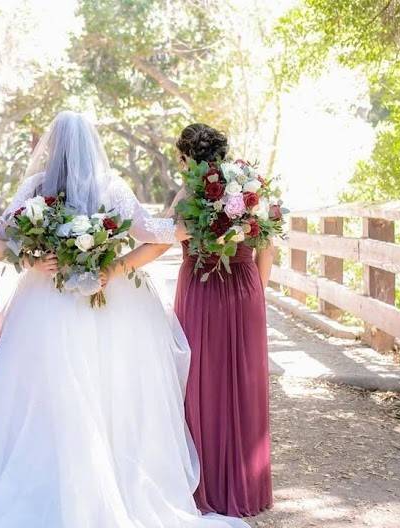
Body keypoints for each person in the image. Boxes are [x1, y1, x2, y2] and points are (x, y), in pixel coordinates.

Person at [0, 111, 248, 528]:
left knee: (45, 389)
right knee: (112, 390)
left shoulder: (35, 188)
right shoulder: (111, 186)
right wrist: (199, 223)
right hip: (109, 296)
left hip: (46, 297)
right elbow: (150, 230)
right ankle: (108, 483)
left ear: (52, 147)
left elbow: (1, 236)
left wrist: (34, 259)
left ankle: (55, 477)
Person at [173, 123, 274, 517]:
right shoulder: (249, 187)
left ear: (186, 158)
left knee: (202, 381)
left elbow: (165, 235)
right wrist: (255, 292)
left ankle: (210, 488)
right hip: (245, 288)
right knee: (244, 382)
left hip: (202, 288)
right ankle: (247, 487)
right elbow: (267, 246)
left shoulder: (188, 194)